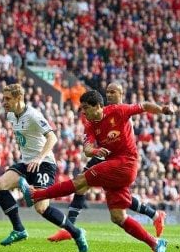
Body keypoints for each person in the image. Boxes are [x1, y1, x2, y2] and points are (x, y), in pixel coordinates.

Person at [19, 84, 172, 252]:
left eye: (86, 108)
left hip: (126, 162)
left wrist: (162, 110)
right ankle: (155, 243)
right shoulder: (90, 124)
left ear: (98, 106)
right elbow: (87, 147)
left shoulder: (118, 111)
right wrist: (94, 151)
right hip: (112, 164)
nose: (83, 112)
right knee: (118, 216)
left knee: (80, 181)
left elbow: (144, 106)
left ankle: (37, 194)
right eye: (82, 109)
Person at [47, 87, 167, 242]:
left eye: (113, 92)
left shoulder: (122, 111)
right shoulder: (102, 113)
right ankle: (155, 215)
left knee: (85, 184)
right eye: (108, 92)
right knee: (94, 187)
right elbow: (90, 141)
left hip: (119, 159)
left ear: (121, 94)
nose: (109, 94)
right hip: (104, 155)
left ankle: (69, 227)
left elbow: (143, 108)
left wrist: (161, 110)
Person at [0, 83, 88, 252]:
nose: (4, 102)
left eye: (8, 99)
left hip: (44, 164)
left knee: (41, 208)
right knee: (0, 185)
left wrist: (39, 157)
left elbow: (52, 138)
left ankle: (76, 232)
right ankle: (19, 229)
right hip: (26, 163)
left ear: (18, 98)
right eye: (3, 98)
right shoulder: (11, 116)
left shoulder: (34, 116)